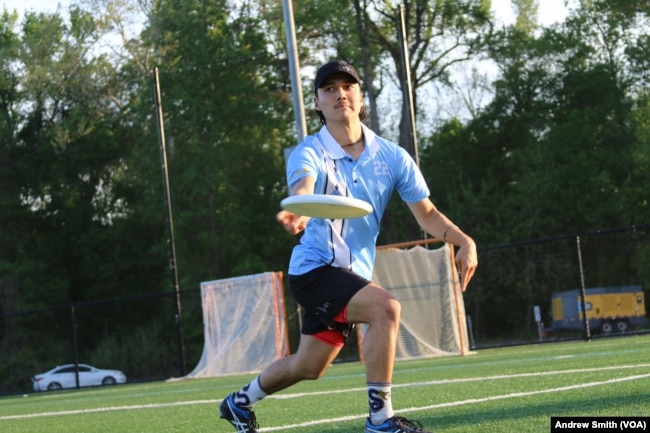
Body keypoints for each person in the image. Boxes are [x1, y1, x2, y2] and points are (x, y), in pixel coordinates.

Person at [220, 60, 478, 433]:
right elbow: (302, 189)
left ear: (359, 96)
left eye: (347, 86)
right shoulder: (308, 152)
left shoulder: (392, 156)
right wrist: (300, 210)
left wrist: (463, 239)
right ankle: (381, 421)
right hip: (314, 270)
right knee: (386, 308)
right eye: (329, 89)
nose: (339, 93)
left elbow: (428, 215)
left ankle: (238, 404)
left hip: (350, 275)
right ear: (317, 103)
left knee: (309, 366)